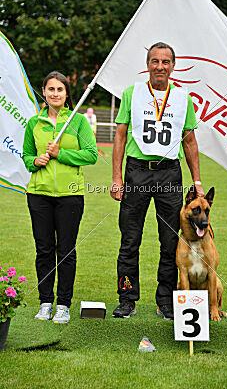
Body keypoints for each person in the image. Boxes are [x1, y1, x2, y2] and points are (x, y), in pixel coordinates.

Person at [110, 42, 204, 320]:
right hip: (137, 170)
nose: (160, 66)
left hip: (169, 173)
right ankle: (127, 298)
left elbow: (189, 140)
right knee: (129, 240)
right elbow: (120, 136)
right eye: (155, 61)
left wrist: (197, 181)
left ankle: (166, 301)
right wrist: (117, 177)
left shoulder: (183, 98)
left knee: (169, 241)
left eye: (165, 62)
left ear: (173, 66)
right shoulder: (132, 93)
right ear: (147, 64)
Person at [23, 71, 98, 323]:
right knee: (44, 250)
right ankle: (45, 302)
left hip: (70, 196)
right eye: (50, 89)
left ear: (67, 94)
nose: (55, 93)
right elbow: (26, 156)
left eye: (60, 89)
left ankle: (63, 305)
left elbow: (91, 155)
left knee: (66, 251)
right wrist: (35, 160)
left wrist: (60, 154)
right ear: (43, 92)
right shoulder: (34, 123)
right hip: (39, 195)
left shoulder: (78, 122)